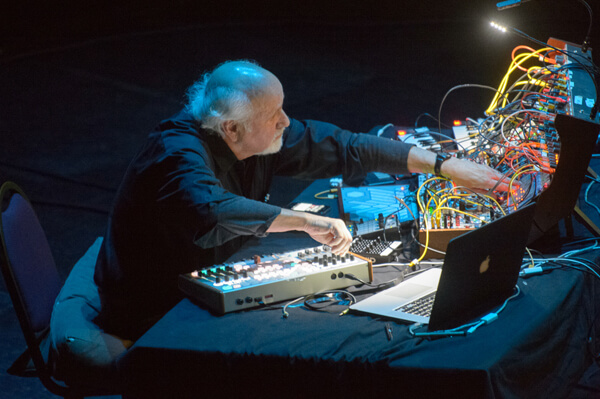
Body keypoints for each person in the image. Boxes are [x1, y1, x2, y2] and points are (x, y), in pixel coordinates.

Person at [94, 60, 508, 341]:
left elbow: (346, 147)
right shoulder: (175, 155)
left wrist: (443, 166)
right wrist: (305, 221)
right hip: (157, 309)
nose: (285, 122)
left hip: (199, 281)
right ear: (232, 129)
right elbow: (211, 209)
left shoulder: (251, 135)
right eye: (273, 115)